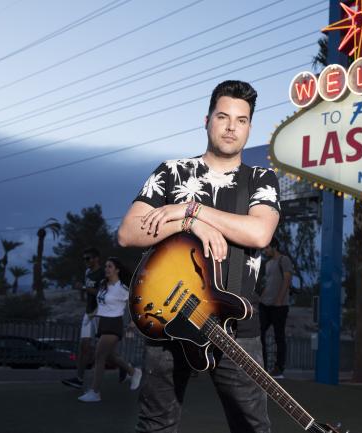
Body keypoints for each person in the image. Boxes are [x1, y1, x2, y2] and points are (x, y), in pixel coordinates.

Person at [117, 80, 280, 433]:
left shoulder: (260, 179)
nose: (231, 126)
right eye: (223, 116)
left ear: (250, 127)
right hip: (168, 319)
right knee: (156, 425)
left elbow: (259, 232)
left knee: (254, 427)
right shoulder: (171, 173)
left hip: (236, 326)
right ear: (206, 120)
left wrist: (190, 209)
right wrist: (186, 225)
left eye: (241, 119)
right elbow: (128, 232)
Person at [78, 257, 142, 402]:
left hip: (114, 324)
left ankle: (95, 392)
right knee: (111, 356)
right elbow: (101, 304)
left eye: (110, 267)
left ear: (117, 270)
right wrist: (92, 315)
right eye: (106, 266)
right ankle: (133, 371)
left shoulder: (123, 289)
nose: (106, 269)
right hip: (102, 323)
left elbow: (135, 304)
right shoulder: (103, 285)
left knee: (99, 356)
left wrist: (133, 321)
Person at [62, 248, 104, 389]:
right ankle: (79, 379)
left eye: (88, 258)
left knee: (106, 350)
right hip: (89, 313)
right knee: (84, 346)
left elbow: (101, 293)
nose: (86, 261)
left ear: (96, 258)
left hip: (101, 313)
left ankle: (128, 369)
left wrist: (84, 288)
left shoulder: (103, 273)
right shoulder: (87, 273)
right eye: (84, 259)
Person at [259, 238, 293, 379]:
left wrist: (279, 300)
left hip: (279, 306)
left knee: (279, 337)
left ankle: (279, 369)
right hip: (265, 305)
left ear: (274, 246)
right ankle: (263, 366)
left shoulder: (284, 260)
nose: (265, 251)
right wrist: (260, 298)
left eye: (267, 248)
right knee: (259, 334)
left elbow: (287, 280)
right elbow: (268, 283)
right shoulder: (268, 264)